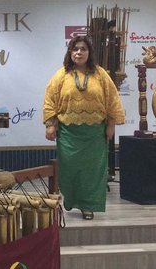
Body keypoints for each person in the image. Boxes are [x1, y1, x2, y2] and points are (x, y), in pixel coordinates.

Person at [42, 36, 125, 220]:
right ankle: (72, 201)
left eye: (83, 49)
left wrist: (111, 125)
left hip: (95, 134)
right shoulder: (61, 75)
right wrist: (50, 125)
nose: (79, 52)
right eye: (75, 49)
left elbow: (112, 100)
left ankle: (88, 206)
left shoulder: (101, 74)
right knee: (70, 170)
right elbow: (50, 101)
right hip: (68, 134)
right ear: (70, 52)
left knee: (93, 171)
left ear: (89, 53)